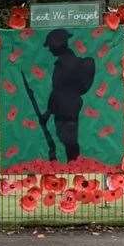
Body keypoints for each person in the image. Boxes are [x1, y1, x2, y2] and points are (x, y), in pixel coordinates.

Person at [39, 29, 95, 162]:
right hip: (68, 105)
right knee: (67, 139)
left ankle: (73, 165)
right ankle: (72, 164)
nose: (50, 49)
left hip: (66, 106)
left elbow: (58, 90)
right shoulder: (65, 61)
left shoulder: (65, 63)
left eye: (51, 46)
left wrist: (48, 112)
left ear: (56, 45)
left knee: (68, 140)